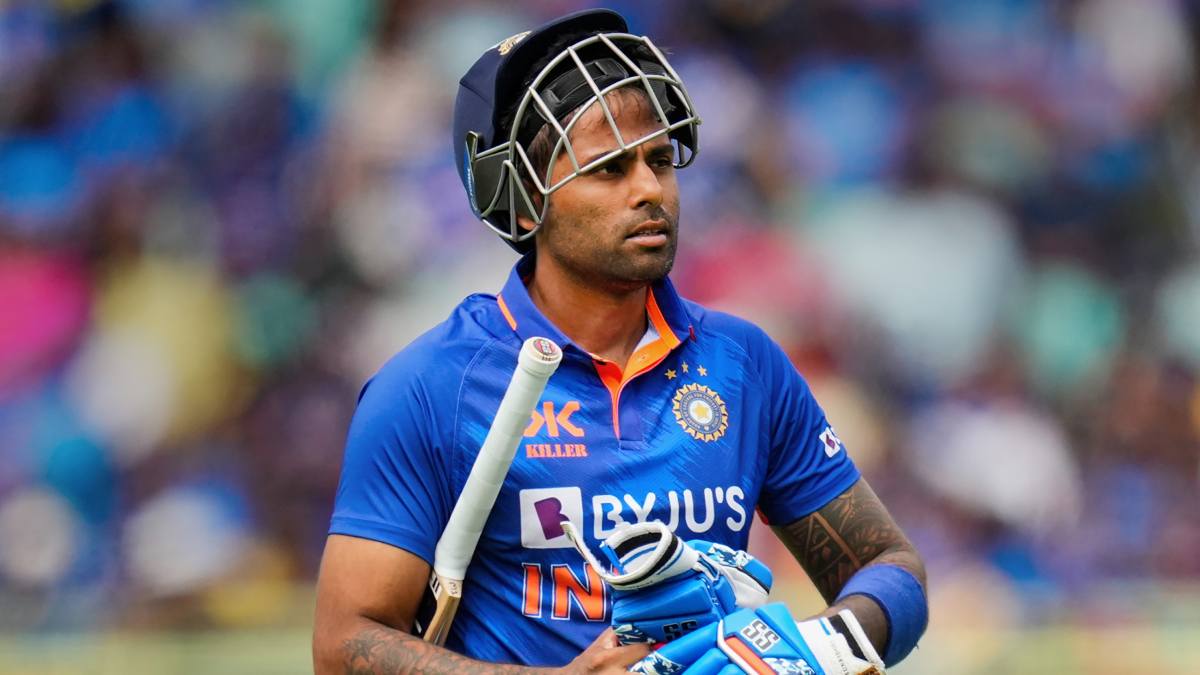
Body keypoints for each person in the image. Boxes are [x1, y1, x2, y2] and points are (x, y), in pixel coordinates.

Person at [313, 9, 927, 675]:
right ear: (524, 200)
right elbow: (344, 645)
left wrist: (807, 651)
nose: (650, 190)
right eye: (609, 168)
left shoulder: (744, 364)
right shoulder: (431, 387)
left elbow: (887, 566)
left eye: (659, 160)